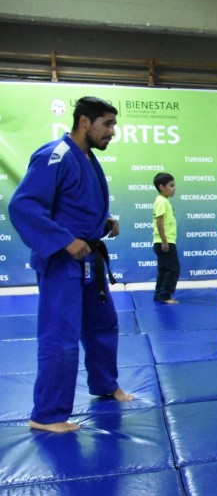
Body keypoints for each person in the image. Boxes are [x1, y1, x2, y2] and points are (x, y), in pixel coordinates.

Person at [8, 95, 134, 432]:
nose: (113, 132)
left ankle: (105, 384)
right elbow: (24, 207)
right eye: (107, 124)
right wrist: (64, 240)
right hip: (63, 262)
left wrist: (102, 223)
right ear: (84, 123)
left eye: (114, 124)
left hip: (88, 259)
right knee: (60, 337)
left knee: (103, 325)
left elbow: (73, 205)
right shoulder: (56, 154)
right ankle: (46, 415)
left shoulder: (87, 157)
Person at [151, 171, 180, 304]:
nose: (174, 188)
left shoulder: (163, 201)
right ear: (162, 187)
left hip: (163, 241)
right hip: (165, 241)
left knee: (164, 269)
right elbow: (159, 221)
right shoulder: (162, 201)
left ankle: (159, 294)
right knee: (173, 269)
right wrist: (164, 241)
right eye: (171, 185)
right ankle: (165, 295)